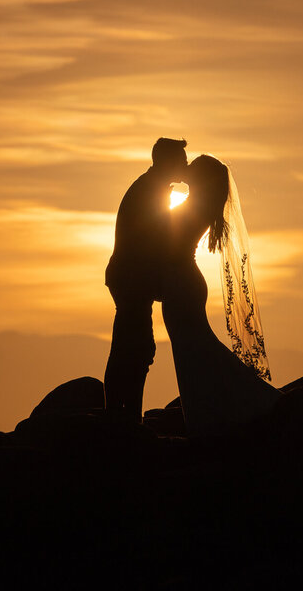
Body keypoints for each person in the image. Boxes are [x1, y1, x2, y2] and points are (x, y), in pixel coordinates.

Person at [161, 154, 280, 437]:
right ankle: (209, 413)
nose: (186, 167)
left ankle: (213, 414)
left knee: (194, 350)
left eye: (193, 166)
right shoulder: (197, 206)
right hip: (183, 283)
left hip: (181, 285)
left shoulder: (192, 208)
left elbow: (163, 233)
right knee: (195, 348)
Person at [103, 137, 189, 422]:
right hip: (130, 278)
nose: (186, 164)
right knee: (135, 346)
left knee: (135, 346)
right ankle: (122, 417)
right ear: (168, 161)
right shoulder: (150, 191)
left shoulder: (153, 188)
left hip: (131, 277)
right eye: (182, 159)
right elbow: (153, 239)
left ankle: (125, 415)